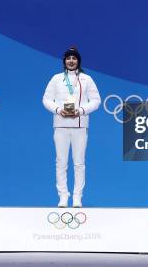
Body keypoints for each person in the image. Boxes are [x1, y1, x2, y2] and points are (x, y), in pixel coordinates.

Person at [43, 47, 101, 208]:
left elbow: (96, 100)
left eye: (74, 58)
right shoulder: (56, 79)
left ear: (78, 61)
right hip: (61, 125)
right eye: (68, 58)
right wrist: (58, 109)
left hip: (80, 125)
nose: (71, 60)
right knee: (61, 162)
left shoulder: (87, 79)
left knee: (79, 163)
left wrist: (81, 110)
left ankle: (77, 197)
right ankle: (63, 196)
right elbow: (46, 99)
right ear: (64, 61)